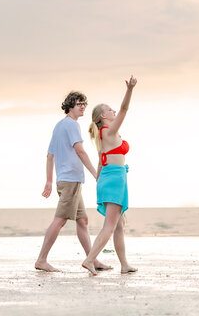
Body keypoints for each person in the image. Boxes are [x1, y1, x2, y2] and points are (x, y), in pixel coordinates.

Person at [35, 91, 112, 272]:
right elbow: (80, 151)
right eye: (79, 104)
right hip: (69, 180)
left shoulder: (60, 126)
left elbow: (49, 155)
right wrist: (96, 173)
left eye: (84, 103)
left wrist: (49, 181)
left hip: (70, 180)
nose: (83, 106)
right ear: (70, 106)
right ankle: (41, 260)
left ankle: (92, 260)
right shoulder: (71, 125)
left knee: (82, 220)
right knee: (60, 220)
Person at [82, 76, 138, 275]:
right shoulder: (109, 131)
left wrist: (99, 181)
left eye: (112, 109)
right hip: (114, 179)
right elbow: (124, 110)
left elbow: (100, 161)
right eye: (110, 110)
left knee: (119, 225)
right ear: (104, 116)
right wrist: (130, 89)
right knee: (111, 225)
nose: (114, 111)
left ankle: (124, 265)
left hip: (111, 178)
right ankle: (89, 260)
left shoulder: (102, 135)